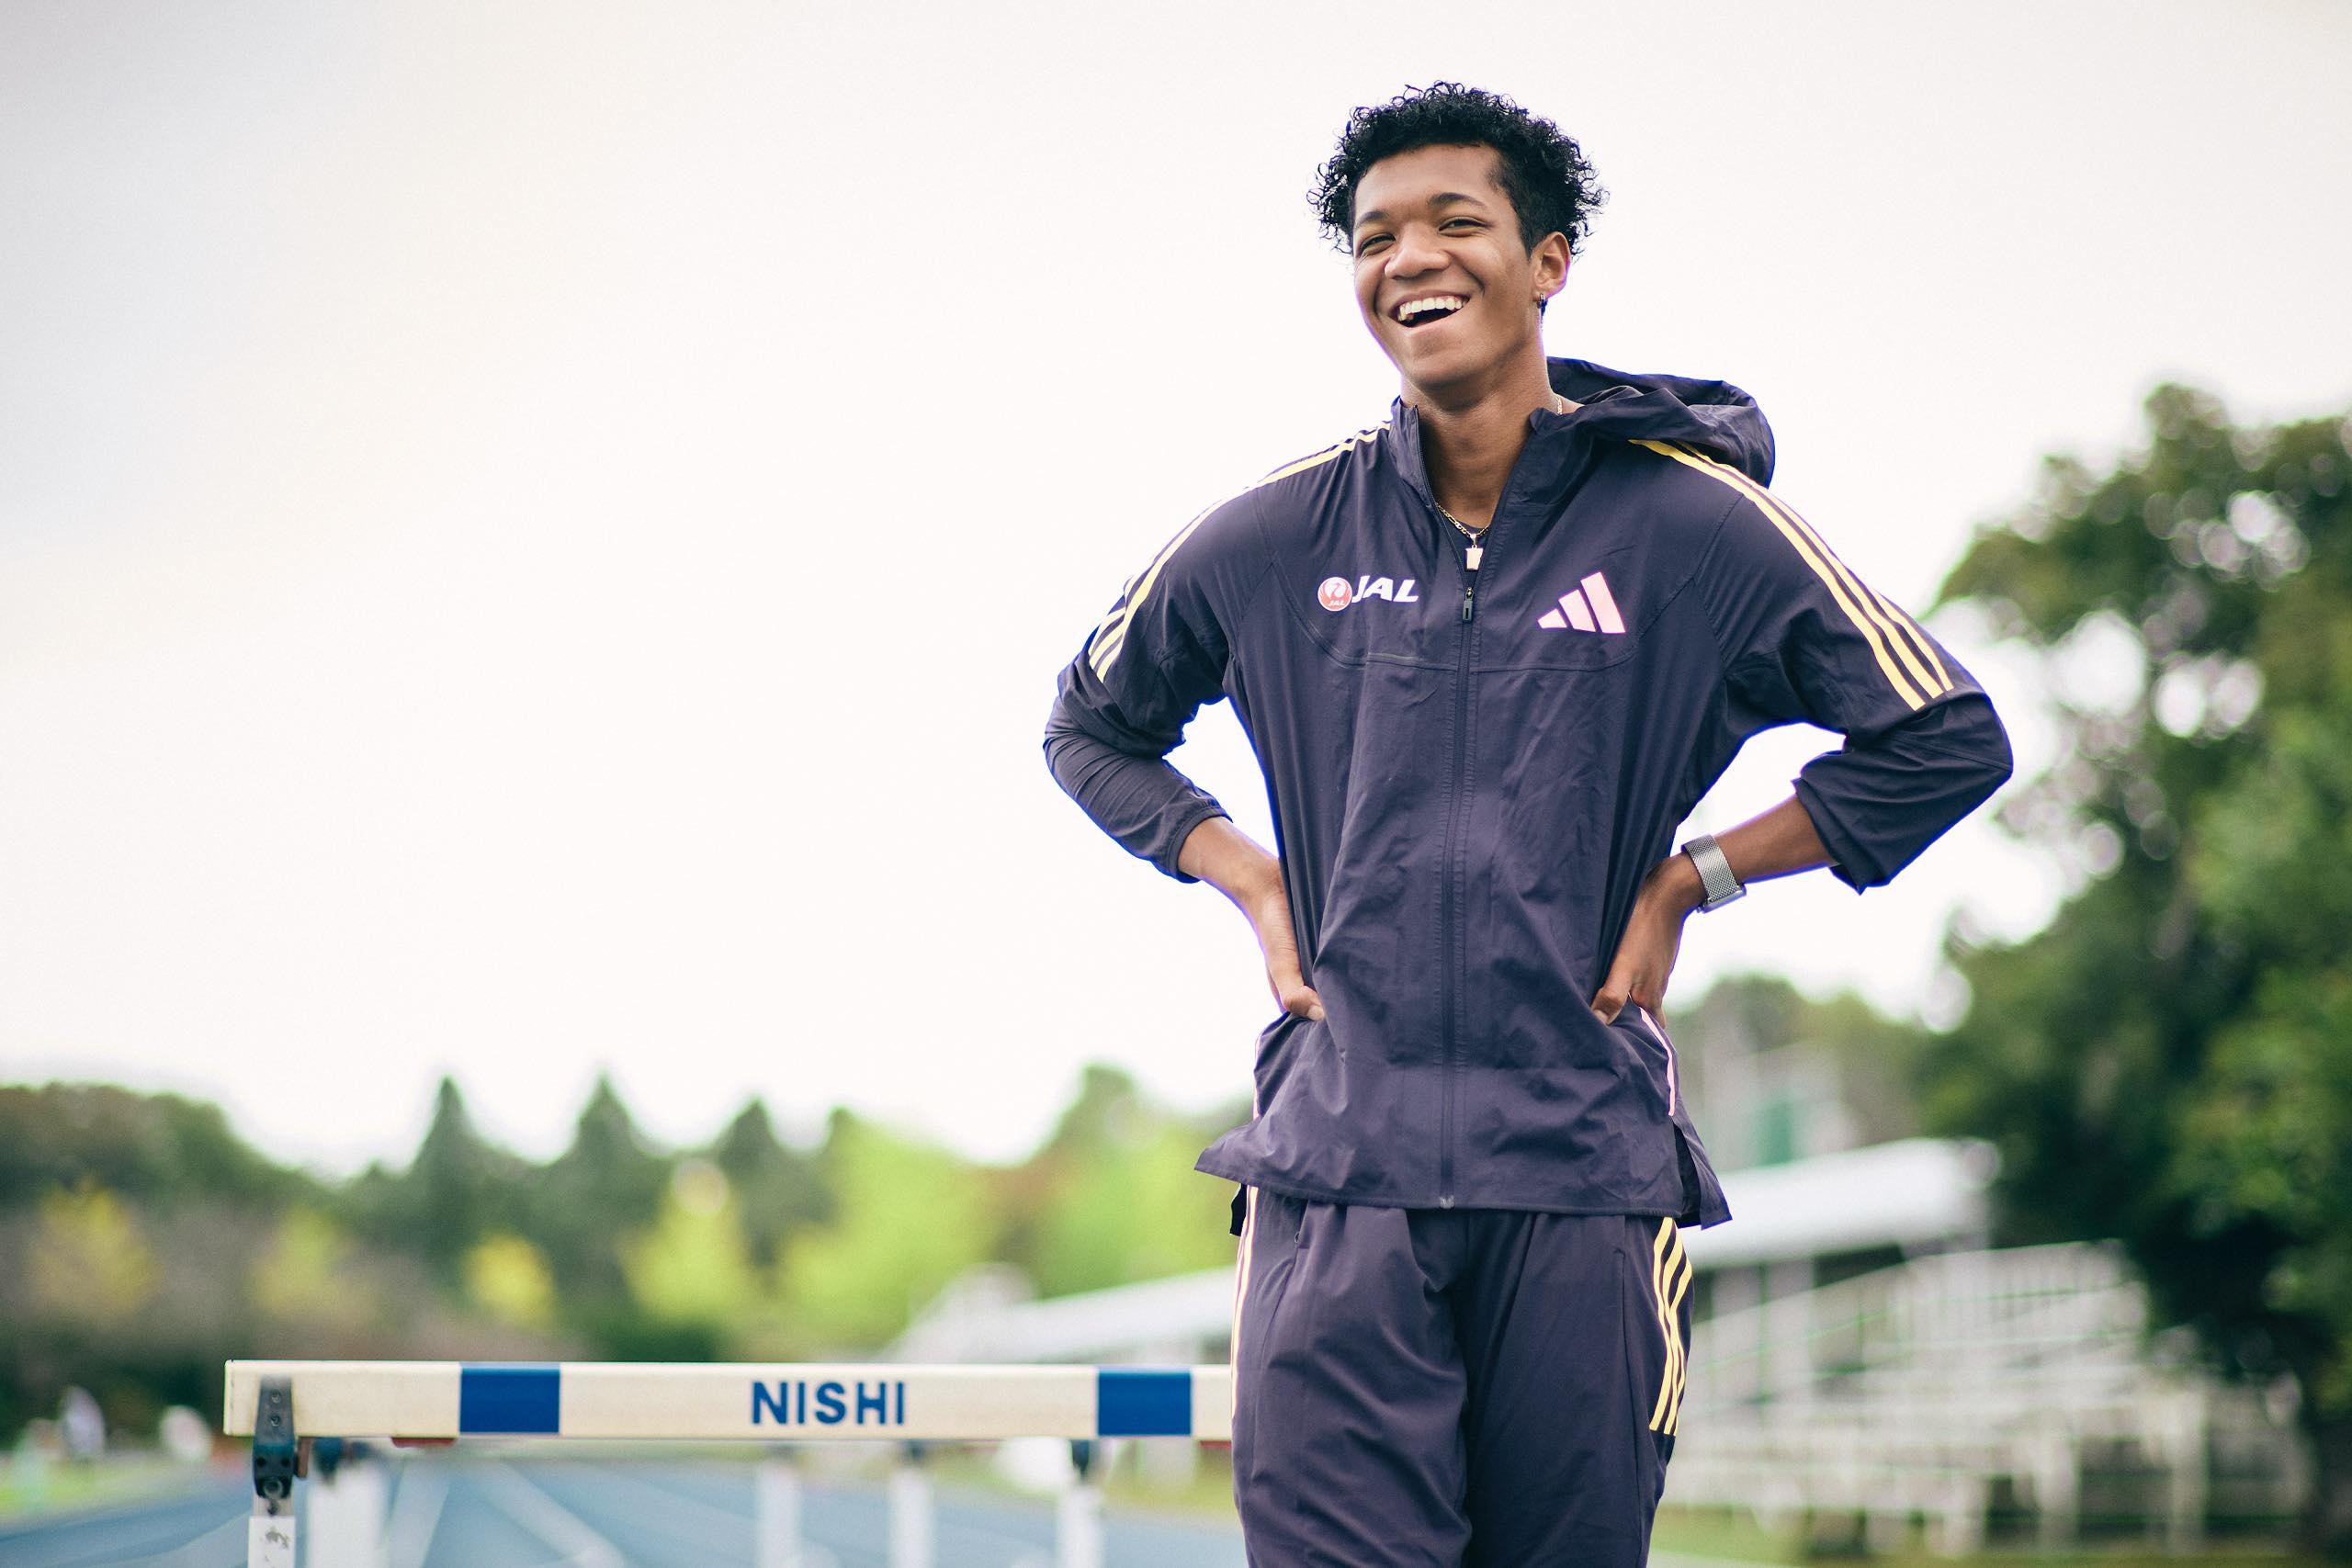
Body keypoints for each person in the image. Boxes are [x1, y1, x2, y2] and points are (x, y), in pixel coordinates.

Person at [1042, 84, 2011, 1567]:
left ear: (1547, 258)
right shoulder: (1272, 535)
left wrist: (1697, 880)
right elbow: (1089, 723)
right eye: (1373, 236)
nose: (1407, 258)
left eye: (1453, 221)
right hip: (1335, 1186)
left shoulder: (1691, 528)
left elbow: (1943, 734)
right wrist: (1245, 874)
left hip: (1581, 1182)